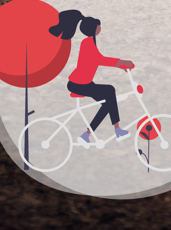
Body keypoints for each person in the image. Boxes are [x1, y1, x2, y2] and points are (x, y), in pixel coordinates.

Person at [49, 9, 134, 149]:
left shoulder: (89, 42)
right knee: (109, 95)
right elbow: (99, 60)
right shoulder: (87, 44)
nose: (100, 27)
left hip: (83, 82)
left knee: (109, 97)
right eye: (98, 25)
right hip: (78, 84)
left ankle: (106, 132)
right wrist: (121, 62)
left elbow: (98, 60)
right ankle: (97, 133)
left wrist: (120, 65)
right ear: (94, 28)